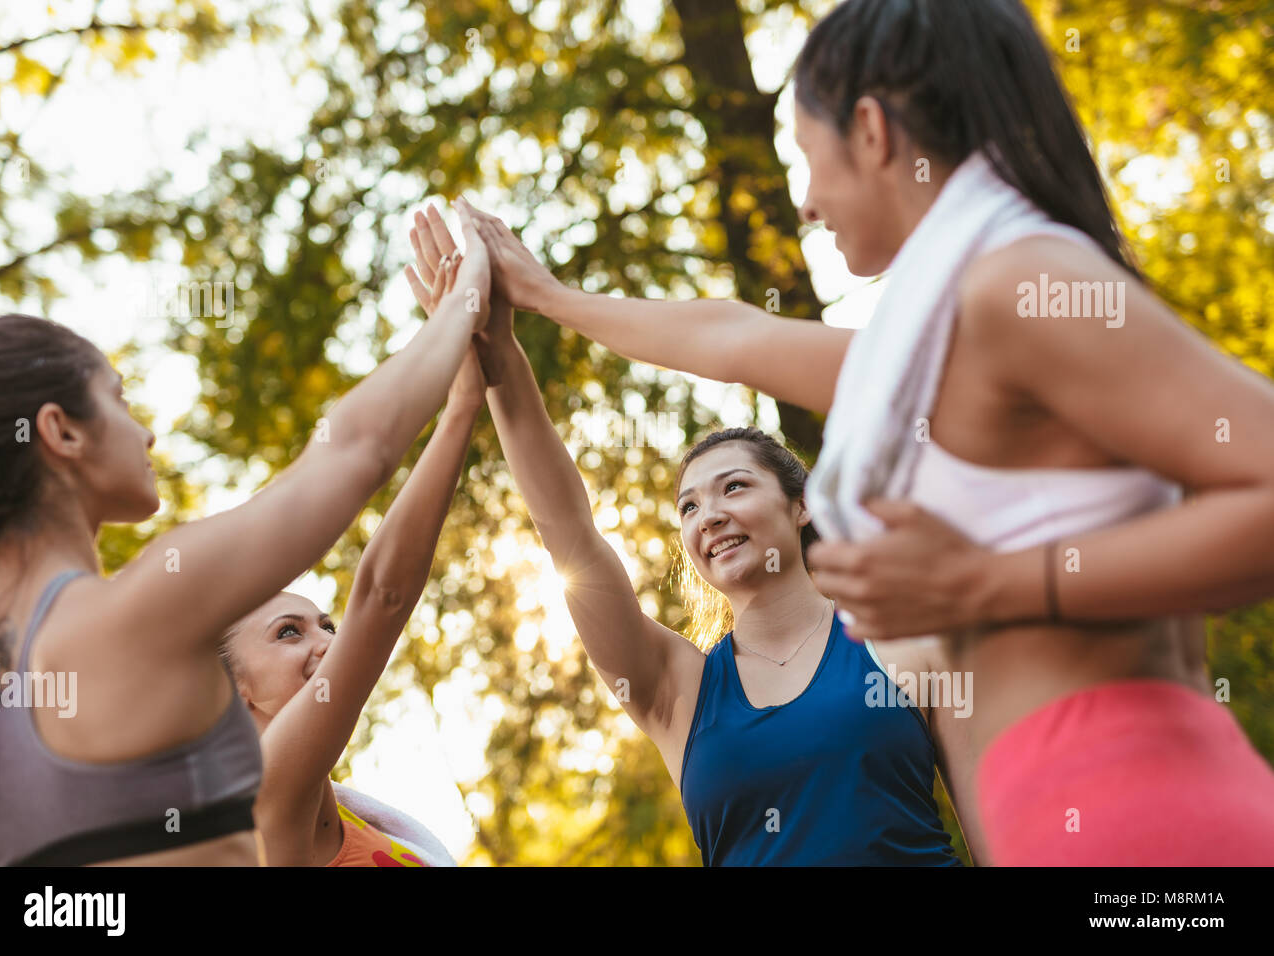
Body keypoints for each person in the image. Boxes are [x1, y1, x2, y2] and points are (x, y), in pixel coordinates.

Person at [454, 0, 1274, 865]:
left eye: (809, 159)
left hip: (1139, 820)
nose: (805, 203)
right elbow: (731, 338)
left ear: (874, 131)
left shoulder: (1015, 285)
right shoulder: (946, 346)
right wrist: (543, 300)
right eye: (690, 502)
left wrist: (983, 584)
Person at [410, 209, 964, 865]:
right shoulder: (678, 689)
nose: (709, 517)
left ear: (803, 506)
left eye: (734, 488)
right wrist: (496, 348)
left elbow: (998, 830)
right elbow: (570, 535)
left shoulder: (903, 636)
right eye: (689, 507)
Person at [0, 203, 491, 865]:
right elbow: (355, 453)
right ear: (61, 431)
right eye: (119, 399)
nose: (146, 433)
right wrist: (468, 295)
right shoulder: (140, 608)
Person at [218, 246, 478, 867]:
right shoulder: (260, 802)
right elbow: (382, 599)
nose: (330, 642)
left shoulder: (362, 820)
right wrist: (463, 399)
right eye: (287, 633)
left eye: (325, 624)